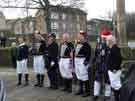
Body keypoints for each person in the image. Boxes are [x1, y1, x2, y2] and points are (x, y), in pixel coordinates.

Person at [93, 29, 111, 101]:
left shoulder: (110, 44)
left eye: (105, 38)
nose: (103, 38)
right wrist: (94, 61)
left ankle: (107, 94)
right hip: (99, 64)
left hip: (107, 64)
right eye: (103, 37)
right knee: (97, 79)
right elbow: (96, 53)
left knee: (107, 80)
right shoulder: (98, 43)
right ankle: (96, 94)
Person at [74, 31, 91, 97]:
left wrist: (85, 62)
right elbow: (75, 52)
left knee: (84, 76)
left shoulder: (87, 45)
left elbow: (88, 54)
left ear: (84, 37)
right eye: (79, 36)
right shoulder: (77, 44)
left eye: (80, 37)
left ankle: (87, 91)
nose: (79, 38)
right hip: (77, 61)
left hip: (82, 61)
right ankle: (81, 90)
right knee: (79, 75)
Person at [106, 35, 122, 101]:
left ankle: (118, 98)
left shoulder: (115, 48)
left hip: (114, 70)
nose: (106, 42)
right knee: (114, 85)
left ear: (110, 41)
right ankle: (116, 98)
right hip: (111, 70)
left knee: (116, 85)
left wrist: (115, 68)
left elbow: (119, 59)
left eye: (107, 40)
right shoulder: (111, 48)